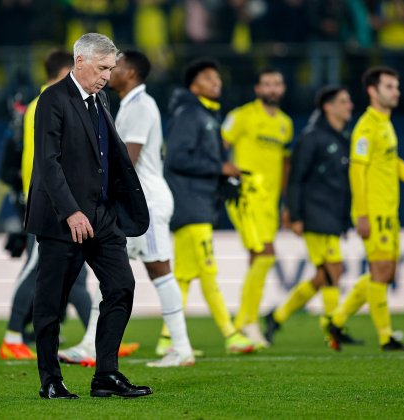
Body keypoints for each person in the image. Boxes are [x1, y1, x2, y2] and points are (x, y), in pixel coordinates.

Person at [25, 33, 152, 399]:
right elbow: (47, 164)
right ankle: (50, 380)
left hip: (102, 216)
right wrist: (71, 212)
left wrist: (114, 205)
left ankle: (106, 374)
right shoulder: (52, 99)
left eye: (111, 69)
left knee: (121, 286)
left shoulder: (101, 99)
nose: (107, 77)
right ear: (80, 61)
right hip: (63, 220)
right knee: (52, 301)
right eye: (102, 68)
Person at [58, 50, 196, 368]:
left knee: (159, 269)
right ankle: (92, 345)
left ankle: (182, 347)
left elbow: (125, 162)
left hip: (144, 202)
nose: (108, 73)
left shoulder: (140, 107)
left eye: (114, 67)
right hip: (136, 201)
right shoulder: (130, 106)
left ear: (130, 72)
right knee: (112, 269)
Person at [327, 66, 404, 351]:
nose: (396, 92)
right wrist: (363, 214)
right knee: (380, 272)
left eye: (397, 86)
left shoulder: (385, 124)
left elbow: (393, 163)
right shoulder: (366, 128)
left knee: (386, 274)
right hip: (374, 212)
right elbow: (357, 172)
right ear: (372, 91)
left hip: (388, 212)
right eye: (390, 86)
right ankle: (386, 337)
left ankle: (337, 319)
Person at [0, 49, 92, 360]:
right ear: (68, 69)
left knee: (77, 276)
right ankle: (12, 335)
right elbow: (48, 161)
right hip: (50, 202)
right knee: (33, 269)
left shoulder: (41, 104)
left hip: (60, 199)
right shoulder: (49, 103)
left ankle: (98, 338)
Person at [162, 58, 255, 355]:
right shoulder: (191, 113)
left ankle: (167, 340)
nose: (217, 82)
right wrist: (219, 168)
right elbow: (176, 158)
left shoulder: (204, 114)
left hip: (196, 201)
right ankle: (231, 334)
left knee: (185, 277)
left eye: (217, 77)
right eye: (208, 78)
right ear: (194, 85)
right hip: (190, 203)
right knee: (208, 271)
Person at [264, 86, 361, 346]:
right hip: (315, 213)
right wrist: (294, 214)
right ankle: (333, 328)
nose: (349, 105)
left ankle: (278, 316)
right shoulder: (312, 137)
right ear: (328, 107)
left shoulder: (342, 137)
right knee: (333, 270)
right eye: (344, 101)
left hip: (333, 214)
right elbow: (296, 179)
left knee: (325, 274)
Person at [220, 68, 294, 349]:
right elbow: (219, 144)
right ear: (258, 89)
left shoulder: (286, 124)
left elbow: (285, 165)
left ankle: (243, 322)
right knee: (265, 255)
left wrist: (285, 203)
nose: (272, 89)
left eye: (277, 84)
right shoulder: (242, 116)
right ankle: (247, 321)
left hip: (269, 202)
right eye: (267, 84)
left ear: (283, 89)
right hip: (245, 194)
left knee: (259, 258)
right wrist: (224, 169)